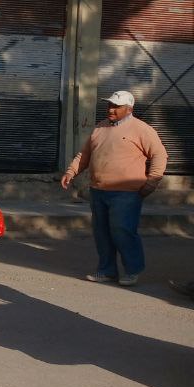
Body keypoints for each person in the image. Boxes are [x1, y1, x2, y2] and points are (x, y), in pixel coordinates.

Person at [60, 90, 167, 287]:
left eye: (116, 106)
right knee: (102, 232)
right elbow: (85, 154)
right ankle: (107, 270)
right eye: (110, 105)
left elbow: (159, 155)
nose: (111, 109)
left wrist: (152, 182)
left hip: (126, 193)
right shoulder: (100, 127)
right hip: (99, 190)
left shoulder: (141, 129)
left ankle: (132, 270)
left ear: (129, 109)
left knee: (122, 230)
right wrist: (71, 171)